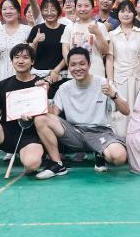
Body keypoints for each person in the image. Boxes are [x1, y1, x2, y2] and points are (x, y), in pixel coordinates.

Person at [34, 47, 129, 179]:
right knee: (40, 119)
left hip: (100, 132)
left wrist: (113, 95)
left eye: (82, 64)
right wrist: (43, 93)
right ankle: (57, 164)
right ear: (68, 67)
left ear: (89, 65)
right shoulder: (64, 88)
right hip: (75, 133)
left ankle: (100, 154)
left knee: (119, 157)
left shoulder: (103, 83)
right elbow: (52, 116)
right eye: (73, 65)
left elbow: (126, 111)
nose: (77, 68)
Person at [0, 44, 45, 183]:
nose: (20, 61)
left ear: (32, 61)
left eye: (25, 57)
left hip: (30, 136)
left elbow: (47, 115)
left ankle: (29, 156)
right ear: (12, 61)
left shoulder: (40, 84)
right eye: (16, 57)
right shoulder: (3, 84)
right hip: (7, 134)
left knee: (31, 165)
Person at [106, 1, 140, 138]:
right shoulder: (112, 34)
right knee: (120, 113)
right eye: (122, 11)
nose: (126, 14)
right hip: (119, 79)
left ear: (134, 14)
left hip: (138, 78)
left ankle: (136, 141)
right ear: (118, 14)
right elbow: (110, 59)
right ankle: (120, 141)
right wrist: (110, 81)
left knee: (138, 111)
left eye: (129, 11)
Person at [26, 0, 68, 98]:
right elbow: (29, 54)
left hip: (61, 74)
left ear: (58, 11)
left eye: (53, 10)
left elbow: (68, 54)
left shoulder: (66, 29)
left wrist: (56, 70)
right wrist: (35, 41)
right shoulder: (36, 29)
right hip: (39, 75)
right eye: (46, 10)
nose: (49, 13)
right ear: (41, 12)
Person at [61, 0, 110, 77]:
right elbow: (65, 49)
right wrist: (72, 65)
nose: (83, 9)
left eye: (86, 6)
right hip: (75, 73)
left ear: (93, 8)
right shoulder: (69, 27)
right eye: (79, 6)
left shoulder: (100, 26)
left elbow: (105, 51)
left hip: (96, 72)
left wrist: (97, 33)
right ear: (75, 8)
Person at [0, 0, 32, 84]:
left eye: (11, 8)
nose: (8, 11)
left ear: (18, 12)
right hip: (0, 76)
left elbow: (32, 55)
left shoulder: (28, 30)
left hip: (22, 77)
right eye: (4, 9)